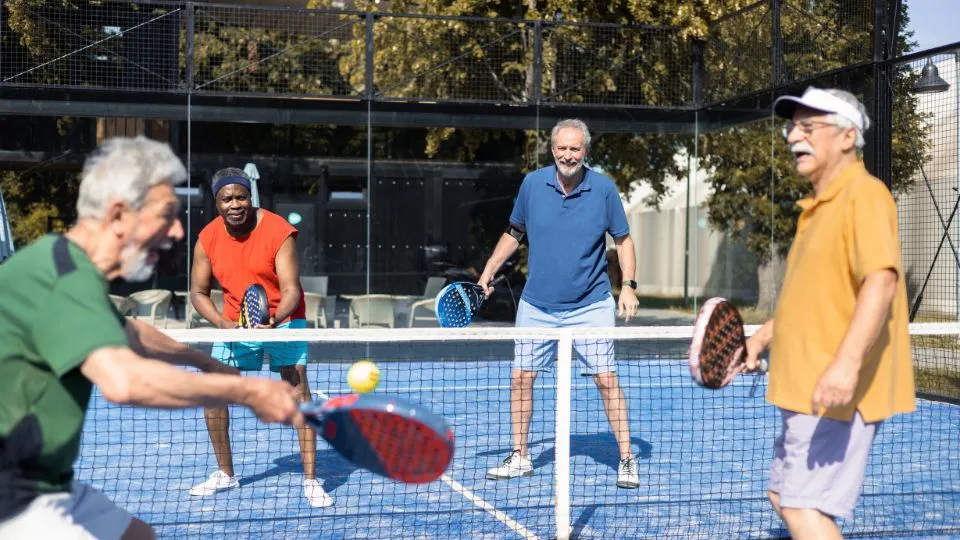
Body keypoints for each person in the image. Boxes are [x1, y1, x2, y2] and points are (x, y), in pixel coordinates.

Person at [0, 136, 304, 540]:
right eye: (165, 215)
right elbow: (125, 381)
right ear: (119, 214)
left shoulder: (67, 264)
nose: (176, 230)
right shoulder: (61, 277)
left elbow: (131, 332)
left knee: (140, 535)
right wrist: (245, 391)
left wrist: (201, 361)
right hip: (14, 494)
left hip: (47, 480)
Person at [745, 87, 915, 539]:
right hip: (804, 388)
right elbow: (810, 302)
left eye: (808, 127)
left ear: (847, 136)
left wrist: (846, 363)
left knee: (804, 510)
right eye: (792, 128)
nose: (793, 137)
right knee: (783, 497)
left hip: (835, 393)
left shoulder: (865, 194)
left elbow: (881, 280)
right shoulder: (817, 210)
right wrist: (761, 338)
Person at [479, 119, 641, 489]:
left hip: (591, 305)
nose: (568, 155)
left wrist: (628, 286)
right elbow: (514, 232)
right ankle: (521, 456)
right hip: (537, 306)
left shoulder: (603, 189)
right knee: (521, 378)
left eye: (575, 149)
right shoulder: (532, 185)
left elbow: (623, 240)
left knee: (606, 380)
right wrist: (488, 270)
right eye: (562, 148)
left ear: (586, 151)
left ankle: (627, 458)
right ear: (552, 150)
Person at [188, 167, 331, 508]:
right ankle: (226, 474)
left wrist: (274, 320)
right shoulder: (207, 238)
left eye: (241, 197)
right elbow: (198, 292)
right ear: (217, 203)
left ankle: (312, 481)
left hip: (284, 320)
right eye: (227, 199)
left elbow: (291, 290)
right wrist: (222, 323)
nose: (235, 204)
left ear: (250, 198)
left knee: (299, 394)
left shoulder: (278, 231)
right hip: (235, 323)